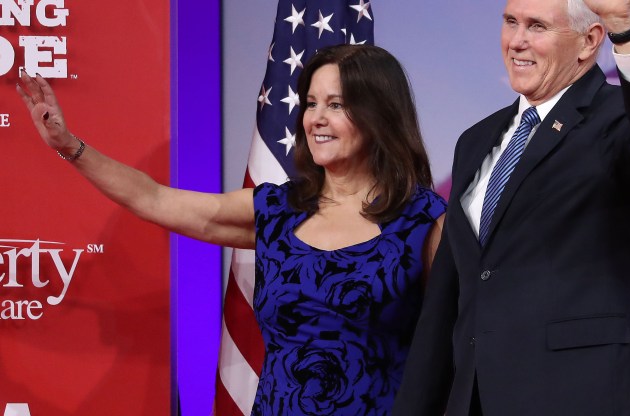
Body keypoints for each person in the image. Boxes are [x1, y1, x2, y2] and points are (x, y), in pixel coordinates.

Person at [17, 44, 446, 416]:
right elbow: (154, 199)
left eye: (336, 105)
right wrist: (69, 146)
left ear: (379, 115)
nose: (316, 118)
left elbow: (456, 344)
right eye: (311, 103)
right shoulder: (280, 210)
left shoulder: (425, 220)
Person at [392, 0, 630, 415]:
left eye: (537, 26)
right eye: (510, 22)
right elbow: (450, 294)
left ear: (589, 42)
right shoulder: (477, 139)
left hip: (579, 395)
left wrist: (624, 28)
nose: (517, 41)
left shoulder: (619, 121)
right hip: (474, 398)